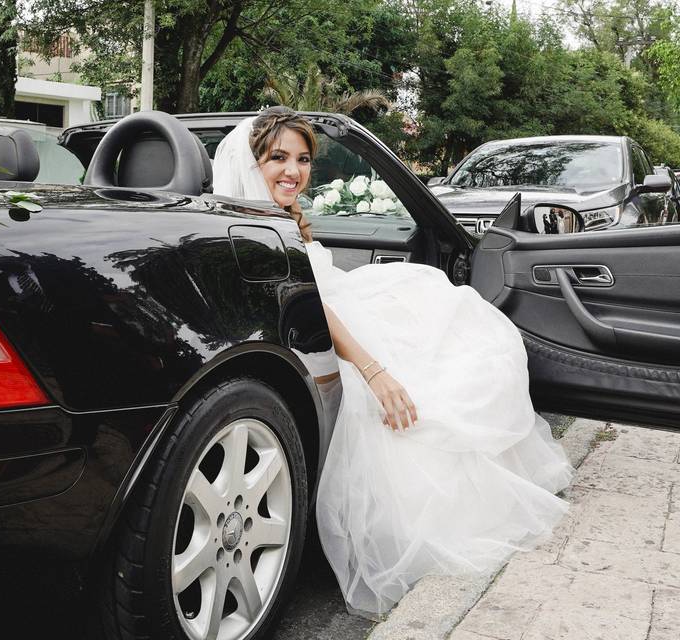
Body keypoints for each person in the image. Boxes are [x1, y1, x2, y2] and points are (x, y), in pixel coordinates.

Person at [212, 107, 573, 619]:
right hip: (330, 328)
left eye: (302, 159)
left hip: (340, 310)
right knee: (431, 375)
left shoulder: (277, 217)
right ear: (252, 163)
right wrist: (374, 371)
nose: (293, 171)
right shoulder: (253, 225)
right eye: (278, 158)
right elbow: (313, 305)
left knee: (458, 321)